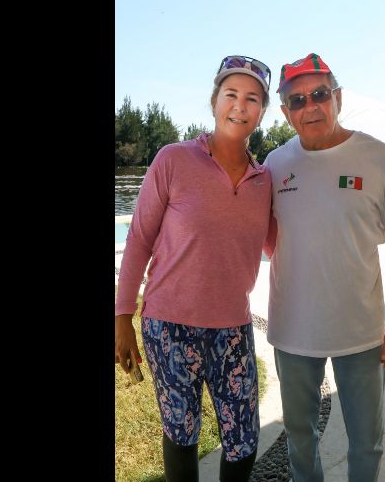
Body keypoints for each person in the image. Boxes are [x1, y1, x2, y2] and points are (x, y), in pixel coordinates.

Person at [115, 55, 273, 482]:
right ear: (215, 100)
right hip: (169, 325)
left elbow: (279, 247)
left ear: (263, 110)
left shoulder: (265, 181)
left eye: (252, 98)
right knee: (181, 434)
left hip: (233, 328)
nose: (240, 106)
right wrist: (122, 316)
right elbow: (139, 240)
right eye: (231, 94)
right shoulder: (173, 160)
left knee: (243, 440)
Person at [263, 52, 385, 481]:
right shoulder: (275, 165)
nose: (310, 106)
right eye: (297, 100)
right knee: (299, 438)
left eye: (319, 94)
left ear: (338, 97)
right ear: (285, 112)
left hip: (364, 332)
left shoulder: (379, 157)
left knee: (367, 442)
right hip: (292, 331)